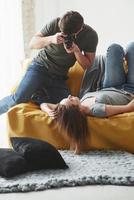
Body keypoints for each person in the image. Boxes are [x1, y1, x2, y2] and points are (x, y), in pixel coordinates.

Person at [40, 42, 134, 154]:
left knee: (113, 48)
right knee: (132, 47)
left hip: (110, 85)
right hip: (129, 90)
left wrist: (49, 111)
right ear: (76, 110)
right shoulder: (95, 110)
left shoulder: (71, 107)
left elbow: (44, 104)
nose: (70, 96)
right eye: (70, 100)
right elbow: (128, 108)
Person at [0, 11, 98, 115]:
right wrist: (51, 39)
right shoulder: (56, 23)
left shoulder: (90, 36)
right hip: (40, 67)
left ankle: (38, 96)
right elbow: (32, 44)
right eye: (62, 32)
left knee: (67, 110)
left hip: (59, 77)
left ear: (79, 30)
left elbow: (87, 65)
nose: (64, 35)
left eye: (66, 35)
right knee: (18, 99)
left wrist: (77, 51)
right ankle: (37, 93)